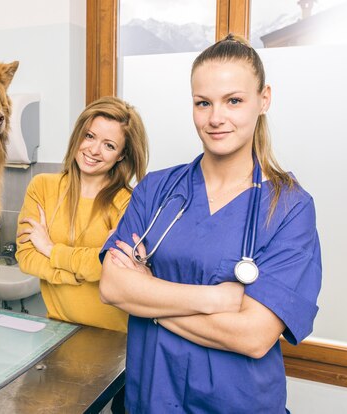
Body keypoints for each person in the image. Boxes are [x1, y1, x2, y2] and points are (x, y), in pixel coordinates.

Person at [99, 34, 322, 413]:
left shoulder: (290, 208)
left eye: (233, 100)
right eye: (203, 103)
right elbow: (112, 287)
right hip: (152, 399)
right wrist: (216, 299)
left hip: (238, 402)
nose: (216, 118)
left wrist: (148, 296)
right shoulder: (157, 190)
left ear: (263, 99)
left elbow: (252, 336)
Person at [16, 96, 148, 413]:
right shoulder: (42, 187)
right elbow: (25, 257)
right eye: (89, 136)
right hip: (58, 333)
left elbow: (111, 269)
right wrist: (81, 267)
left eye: (108, 145)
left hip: (116, 341)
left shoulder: (129, 203)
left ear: (121, 156)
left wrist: (50, 249)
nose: (92, 150)